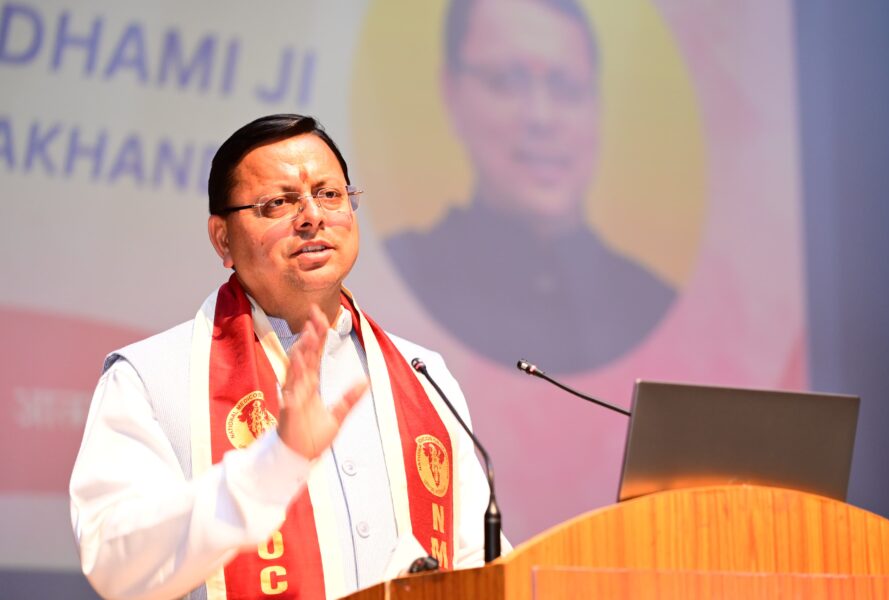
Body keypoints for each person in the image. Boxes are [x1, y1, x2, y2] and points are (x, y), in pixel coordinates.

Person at [69, 114, 500, 600]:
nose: (312, 216)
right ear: (223, 239)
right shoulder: (149, 379)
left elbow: (478, 565)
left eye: (330, 194)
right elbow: (115, 566)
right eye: (278, 202)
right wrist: (275, 463)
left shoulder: (423, 375)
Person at [386, 0, 677, 374]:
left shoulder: (649, 304)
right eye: (507, 81)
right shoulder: (394, 281)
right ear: (452, 93)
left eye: (567, 87)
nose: (542, 117)